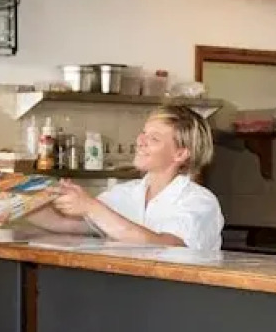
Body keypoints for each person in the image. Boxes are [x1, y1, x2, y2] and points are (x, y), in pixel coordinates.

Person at [29, 105, 224, 251]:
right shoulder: (124, 193)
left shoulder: (199, 202)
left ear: (180, 154)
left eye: (154, 138)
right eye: (143, 133)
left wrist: (91, 206)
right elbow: (65, 224)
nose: (140, 141)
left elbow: (169, 247)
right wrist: (21, 203)